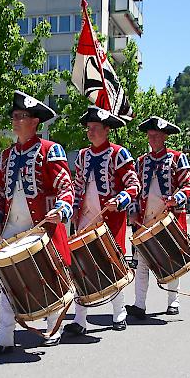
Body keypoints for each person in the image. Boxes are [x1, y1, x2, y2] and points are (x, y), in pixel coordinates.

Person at [0, 90, 74, 354]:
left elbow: (66, 187)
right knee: (7, 278)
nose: (15, 120)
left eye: (21, 116)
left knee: (50, 275)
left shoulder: (51, 150)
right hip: (13, 228)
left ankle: (53, 327)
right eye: (14, 116)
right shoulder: (5, 155)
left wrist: (62, 208)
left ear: (35, 122)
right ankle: (5, 336)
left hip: (41, 227)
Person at [62, 106, 140, 336]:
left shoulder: (119, 154)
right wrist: (74, 208)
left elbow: (134, 185)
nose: (91, 132)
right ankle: (80, 319)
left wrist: (121, 199)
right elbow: (77, 187)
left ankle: (119, 313)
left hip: (110, 220)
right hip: (86, 218)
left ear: (107, 130)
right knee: (81, 267)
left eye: (95, 128)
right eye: (89, 128)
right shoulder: (83, 155)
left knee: (112, 265)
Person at [126, 116, 190, 319]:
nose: (152, 139)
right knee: (143, 263)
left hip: (169, 219)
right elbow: (135, 191)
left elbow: (188, 186)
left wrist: (176, 199)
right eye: (150, 135)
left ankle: (173, 302)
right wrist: (133, 211)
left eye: (156, 135)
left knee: (173, 260)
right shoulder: (141, 162)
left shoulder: (177, 157)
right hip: (145, 221)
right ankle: (139, 305)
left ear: (164, 136)